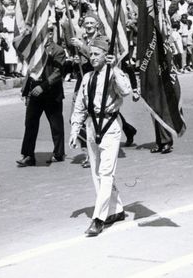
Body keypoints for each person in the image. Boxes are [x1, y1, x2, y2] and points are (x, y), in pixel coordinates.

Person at [68, 35, 135, 236]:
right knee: (96, 173)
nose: (93, 58)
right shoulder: (88, 77)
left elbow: (126, 91)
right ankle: (118, 209)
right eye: (91, 54)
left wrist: (114, 69)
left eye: (97, 54)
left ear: (106, 56)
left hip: (110, 124)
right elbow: (80, 105)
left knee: (106, 173)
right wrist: (74, 130)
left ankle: (99, 218)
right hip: (91, 125)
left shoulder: (114, 74)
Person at [16, 23, 68, 166]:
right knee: (30, 124)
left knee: (56, 125)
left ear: (51, 34)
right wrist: (24, 33)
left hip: (51, 92)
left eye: (45, 33)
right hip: (34, 91)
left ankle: (58, 153)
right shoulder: (34, 49)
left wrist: (43, 86)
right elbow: (16, 44)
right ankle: (28, 155)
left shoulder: (58, 50)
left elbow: (58, 72)